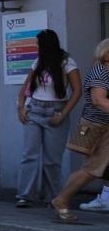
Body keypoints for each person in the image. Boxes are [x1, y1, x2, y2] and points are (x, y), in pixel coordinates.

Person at [15, 29, 81, 209]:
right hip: (35, 110)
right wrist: (21, 107)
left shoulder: (67, 62)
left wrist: (64, 113)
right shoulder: (38, 62)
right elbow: (25, 87)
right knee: (30, 154)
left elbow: (77, 90)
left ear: (46, 45)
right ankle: (25, 195)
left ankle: (51, 196)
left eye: (38, 44)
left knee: (52, 159)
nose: (36, 47)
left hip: (56, 110)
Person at [49, 38, 109, 223]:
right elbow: (99, 100)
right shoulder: (101, 72)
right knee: (92, 169)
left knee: (95, 168)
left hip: (101, 126)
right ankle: (61, 200)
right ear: (107, 54)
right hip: (98, 127)